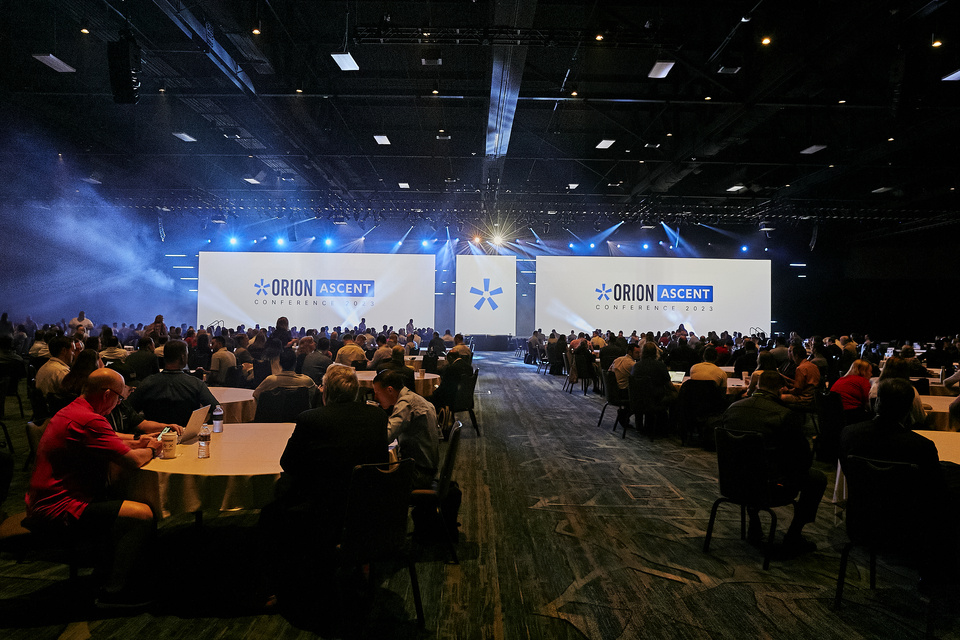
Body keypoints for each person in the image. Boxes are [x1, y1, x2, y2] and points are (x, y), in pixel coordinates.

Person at [26, 368, 162, 607]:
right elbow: (132, 461)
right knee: (142, 514)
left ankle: (115, 567)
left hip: (46, 496)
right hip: (57, 506)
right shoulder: (89, 419)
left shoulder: (75, 410)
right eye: (119, 398)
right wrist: (153, 449)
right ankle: (114, 591)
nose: (120, 403)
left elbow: (109, 436)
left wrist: (138, 440)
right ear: (107, 394)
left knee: (124, 495)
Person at [839, 377, 957, 582]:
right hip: (911, 528)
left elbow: (850, 475)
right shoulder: (921, 446)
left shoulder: (849, 434)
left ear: (877, 403)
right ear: (909, 408)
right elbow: (936, 492)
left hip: (861, 522)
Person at [722, 369, 827, 554]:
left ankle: (754, 524)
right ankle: (794, 535)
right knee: (817, 479)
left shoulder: (733, 409)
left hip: (732, 482)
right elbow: (802, 460)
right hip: (769, 488)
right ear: (780, 389)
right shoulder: (784, 415)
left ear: (758, 385)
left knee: (751, 464)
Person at [372, 368, 439, 490]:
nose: (375, 397)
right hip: (427, 468)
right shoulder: (413, 398)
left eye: (377, 392)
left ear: (390, 390)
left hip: (418, 474)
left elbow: (385, 437)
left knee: (372, 482)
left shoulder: (406, 404)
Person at [128, 340, 218, 427]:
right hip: (187, 437)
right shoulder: (196, 384)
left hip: (154, 436)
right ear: (183, 357)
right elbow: (217, 409)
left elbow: (128, 410)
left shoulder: (147, 383)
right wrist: (202, 427)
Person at [253, 348, 317, 400]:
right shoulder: (306, 381)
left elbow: (256, 394)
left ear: (280, 363)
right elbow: (315, 395)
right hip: (300, 414)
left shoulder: (270, 380)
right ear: (295, 363)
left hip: (275, 414)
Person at [829, 359, 874, 424]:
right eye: (870, 372)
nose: (871, 374)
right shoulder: (862, 381)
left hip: (834, 414)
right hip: (850, 415)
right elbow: (868, 402)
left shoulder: (841, 379)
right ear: (864, 372)